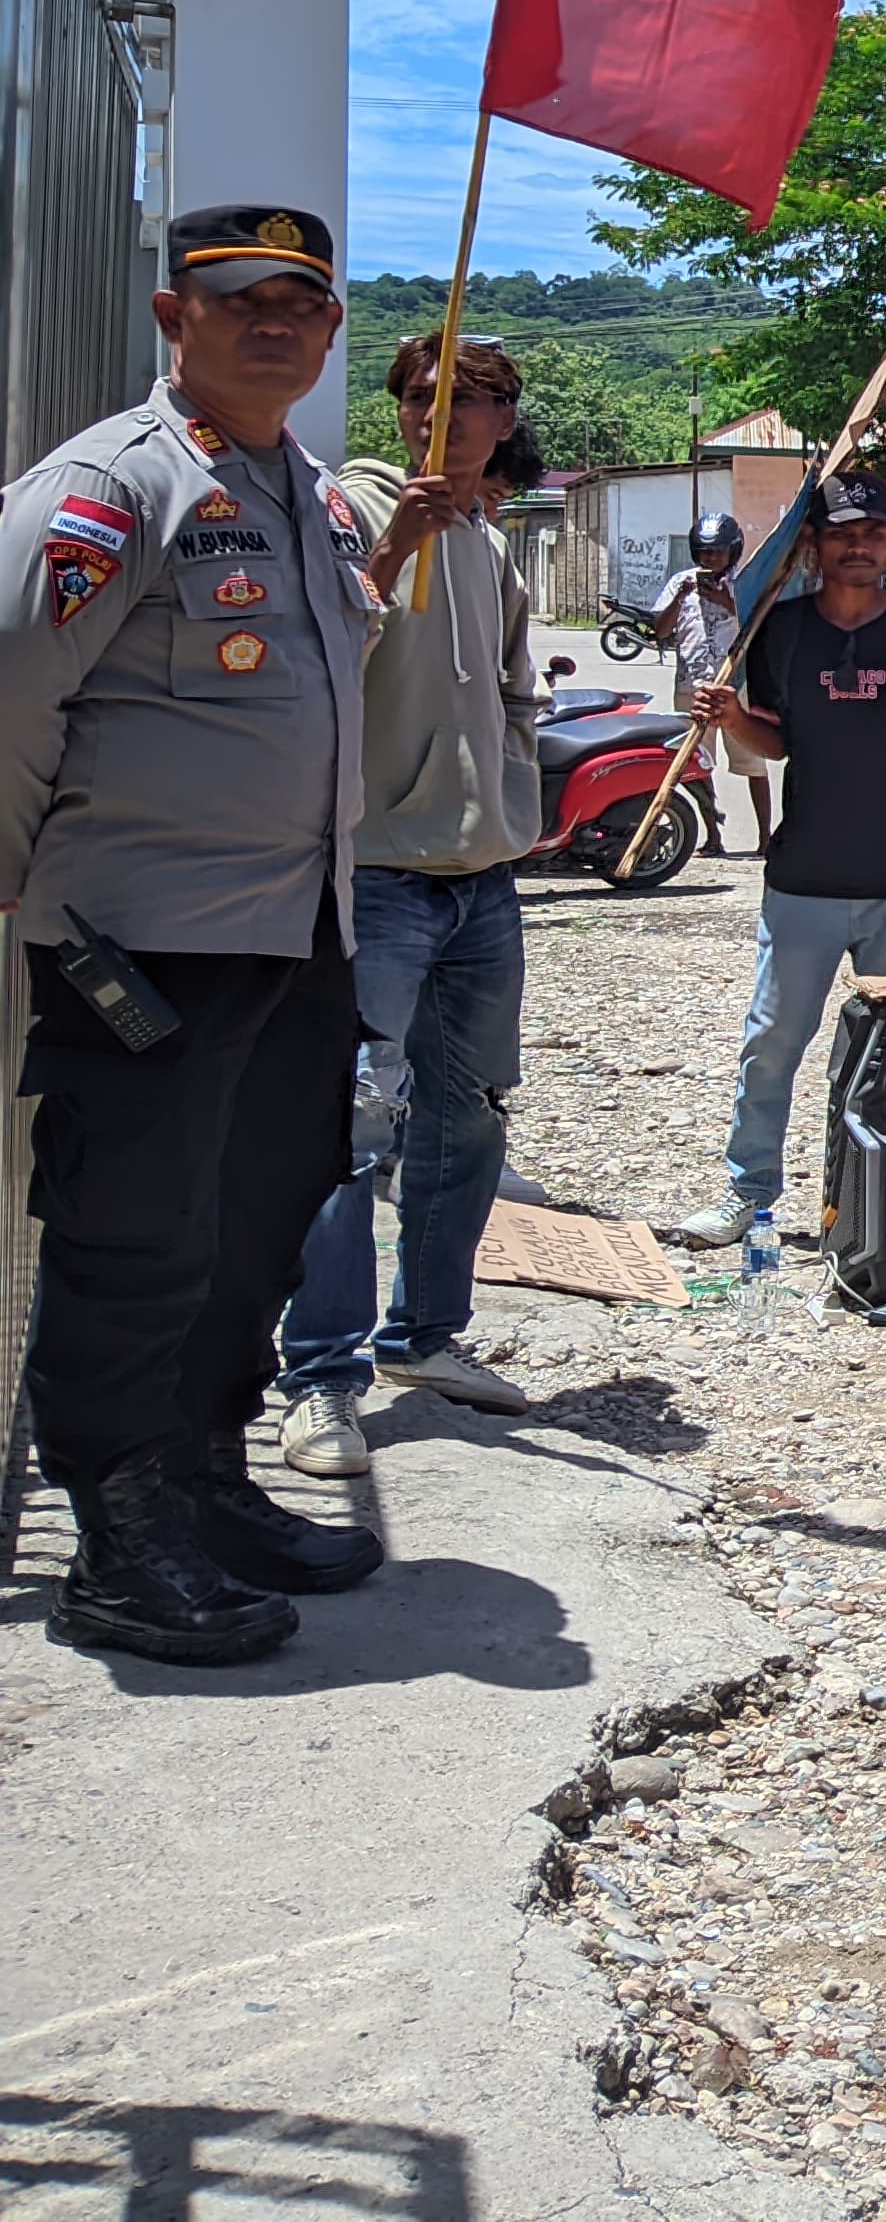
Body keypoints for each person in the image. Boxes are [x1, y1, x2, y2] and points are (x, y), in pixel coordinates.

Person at [0, 205, 379, 1661]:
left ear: (330, 327)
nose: (275, 323)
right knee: (136, 1240)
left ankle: (209, 1480)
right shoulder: (112, 488)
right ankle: (120, 1534)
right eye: (240, 302)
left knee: (253, 1232)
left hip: (297, 942)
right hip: (147, 944)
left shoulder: (322, 504)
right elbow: (11, 693)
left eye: (301, 302)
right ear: (177, 319)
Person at [271, 333, 547, 1482]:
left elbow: (519, 691)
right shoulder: (347, 506)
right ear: (398, 413)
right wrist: (396, 544)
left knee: (467, 1114)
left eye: (476, 400)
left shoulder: (491, 542)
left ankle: (425, 1337)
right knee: (349, 1127)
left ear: (503, 418)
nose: (452, 417)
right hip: (377, 874)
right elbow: (314, 640)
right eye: (430, 399)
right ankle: (321, 1379)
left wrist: (515, 805)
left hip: (478, 880)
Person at [679, 473, 886, 1250]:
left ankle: (870, 1204)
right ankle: (748, 1194)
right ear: (813, 546)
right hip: (806, 880)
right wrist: (734, 720)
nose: (860, 548)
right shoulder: (780, 630)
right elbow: (778, 743)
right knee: (773, 1043)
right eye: (844, 534)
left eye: (875, 535)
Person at [658, 512, 769, 856]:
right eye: (705, 552)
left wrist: (724, 600)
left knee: (753, 763)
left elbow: (763, 623)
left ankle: (765, 839)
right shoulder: (681, 582)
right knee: (696, 765)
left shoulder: (745, 584)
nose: (710, 559)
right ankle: (712, 836)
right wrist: (682, 598)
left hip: (736, 686)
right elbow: (660, 629)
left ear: (732, 552)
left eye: (718, 552)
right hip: (692, 685)